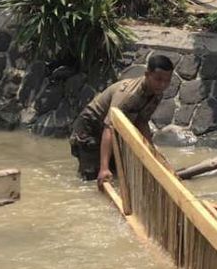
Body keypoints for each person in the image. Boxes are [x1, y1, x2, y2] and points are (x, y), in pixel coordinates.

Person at [69, 54, 175, 186]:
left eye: (167, 81)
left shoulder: (156, 95)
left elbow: (142, 122)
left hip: (109, 129)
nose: (163, 85)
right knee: (92, 178)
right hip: (91, 125)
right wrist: (104, 168)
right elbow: (109, 127)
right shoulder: (129, 95)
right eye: (158, 79)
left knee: (118, 173)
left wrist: (152, 153)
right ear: (147, 75)